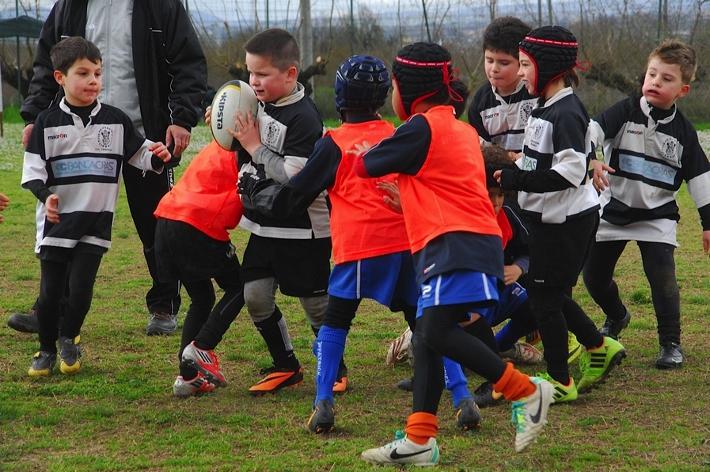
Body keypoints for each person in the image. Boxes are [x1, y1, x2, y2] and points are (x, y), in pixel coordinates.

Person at [238, 55, 485, 434]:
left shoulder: (332, 143)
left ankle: (323, 402)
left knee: (335, 323)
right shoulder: (400, 133)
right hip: (406, 246)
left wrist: (255, 190)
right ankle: (462, 396)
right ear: (384, 95)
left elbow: (294, 198)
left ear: (339, 94)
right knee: (428, 323)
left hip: (359, 249)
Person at [355, 42, 554, 466]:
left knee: (437, 332)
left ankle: (527, 391)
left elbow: (365, 165)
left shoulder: (420, 128)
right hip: (467, 242)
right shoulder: (461, 130)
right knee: (428, 334)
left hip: (453, 245)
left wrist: (362, 142)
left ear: (404, 89)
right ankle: (420, 438)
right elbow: (447, 189)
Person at [8, 0, 207, 336]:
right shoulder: (69, 6)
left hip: (144, 136)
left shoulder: (161, 6)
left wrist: (182, 119)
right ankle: (53, 309)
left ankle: (163, 305)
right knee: (66, 222)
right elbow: (47, 64)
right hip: (77, 138)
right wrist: (34, 116)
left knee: (156, 225)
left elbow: (188, 64)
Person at [21, 37, 172, 376]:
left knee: (81, 291)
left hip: (96, 222)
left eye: (98, 73)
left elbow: (142, 155)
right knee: (49, 294)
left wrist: (160, 155)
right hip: (58, 222)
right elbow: (31, 174)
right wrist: (48, 198)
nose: (93, 81)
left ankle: (68, 339)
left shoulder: (116, 121)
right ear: (60, 78)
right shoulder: (46, 123)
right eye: (83, 73)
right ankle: (45, 349)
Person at [495, 26, 626, 404]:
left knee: (544, 300)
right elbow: (542, 159)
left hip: (567, 223)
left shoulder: (566, 112)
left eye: (524, 65)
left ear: (547, 67)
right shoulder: (548, 107)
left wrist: (518, 178)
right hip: (549, 220)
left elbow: (571, 173)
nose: (520, 73)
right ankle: (600, 347)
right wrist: (513, 165)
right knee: (545, 291)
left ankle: (560, 381)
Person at [584, 39, 710, 369]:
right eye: (652, 74)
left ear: (682, 90)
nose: (655, 81)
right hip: (612, 210)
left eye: (666, 78)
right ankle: (617, 316)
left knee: (663, 280)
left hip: (657, 216)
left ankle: (671, 344)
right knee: (594, 278)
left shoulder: (684, 132)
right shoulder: (624, 110)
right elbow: (592, 130)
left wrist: (708, 223)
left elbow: (701, 179)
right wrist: (592, 160)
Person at [227, 29, 330, 395]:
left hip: (304, 230)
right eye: (251, 73)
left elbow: (294, 177)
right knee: (254, 295)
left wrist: (254, 147)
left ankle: (335, 366)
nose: (254, 82)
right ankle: (286, 364)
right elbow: (236, 143)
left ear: (290, 74)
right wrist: (222, 123)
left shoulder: (304, 117)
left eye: (263, 74)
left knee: (315, 305)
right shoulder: (256, 101)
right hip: (264, 225)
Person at [152, 140, 247, 397]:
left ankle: (188, 377)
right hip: (197, 225)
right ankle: (202, 347)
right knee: (241, 287)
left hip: (167, 219)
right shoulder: (248, 147)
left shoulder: (219, 143)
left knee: (203, 297)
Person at [468, 17, 536, 159]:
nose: (494, 69)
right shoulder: (480, 104)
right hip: (498, 175)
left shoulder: (538, 93)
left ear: (523, 61)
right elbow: (482, 153)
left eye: (504, 63)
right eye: (489, 60)